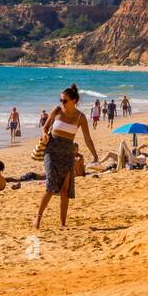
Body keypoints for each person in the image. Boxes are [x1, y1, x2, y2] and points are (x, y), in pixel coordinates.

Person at [36, 84, 98, 229]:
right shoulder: (57, 111)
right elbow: (44, 127)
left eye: (65, 101)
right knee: (51, 185)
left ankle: (62, 223)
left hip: (68, 152)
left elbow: (87, 138)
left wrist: (94, 155)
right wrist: (45, 134)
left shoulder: (80, 117)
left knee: (64, 189)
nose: (62, 103)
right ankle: (38, 218)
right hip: (51, 150)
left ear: (74, 100)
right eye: (61, 100)